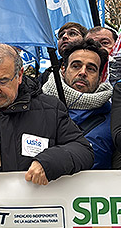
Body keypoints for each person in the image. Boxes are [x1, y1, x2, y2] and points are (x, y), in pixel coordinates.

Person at [0, 43, 93, 185]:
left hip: (35, 205)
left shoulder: (50, 108)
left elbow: (83, 150)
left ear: (19, 76)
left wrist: (48, 163)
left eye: (2, 81)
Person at [42, 39, 113, 169]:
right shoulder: (35, 109)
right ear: (63, 69)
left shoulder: (114, 120)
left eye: (91, 69)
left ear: (101, 77)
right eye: (76, 66)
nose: (82, 72)